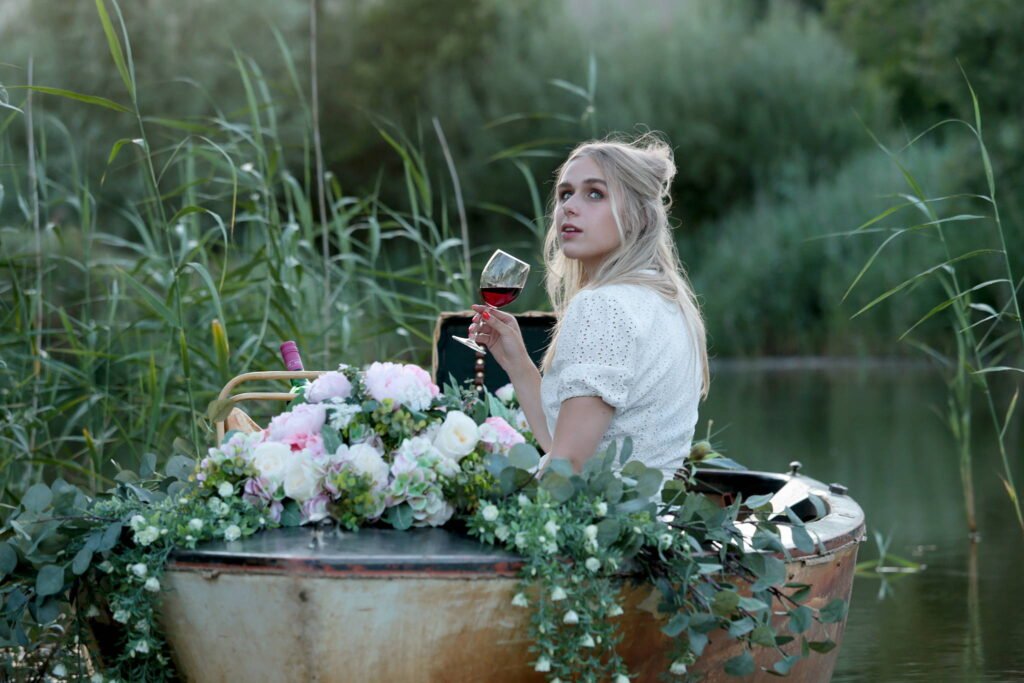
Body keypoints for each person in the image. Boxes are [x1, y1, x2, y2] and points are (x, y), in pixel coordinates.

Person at [469, 134, 709, 480]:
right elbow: (566, 444)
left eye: (594, 193)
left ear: (638, 215)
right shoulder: (668, 303)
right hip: (644, 524)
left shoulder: (604, 306)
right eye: (565, 194)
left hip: (594, 527)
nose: (569, 206)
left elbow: (566, 469)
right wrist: (518, 363)